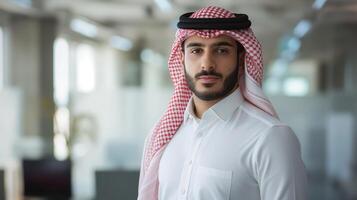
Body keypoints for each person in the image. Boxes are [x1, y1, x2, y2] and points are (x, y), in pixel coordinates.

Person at [138, 6, 307, 200]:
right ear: (181, 58)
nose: (207, 63)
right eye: (196, 50)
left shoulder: (270, 137)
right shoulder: (162, 136)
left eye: (221, 50)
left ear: (241, 58)